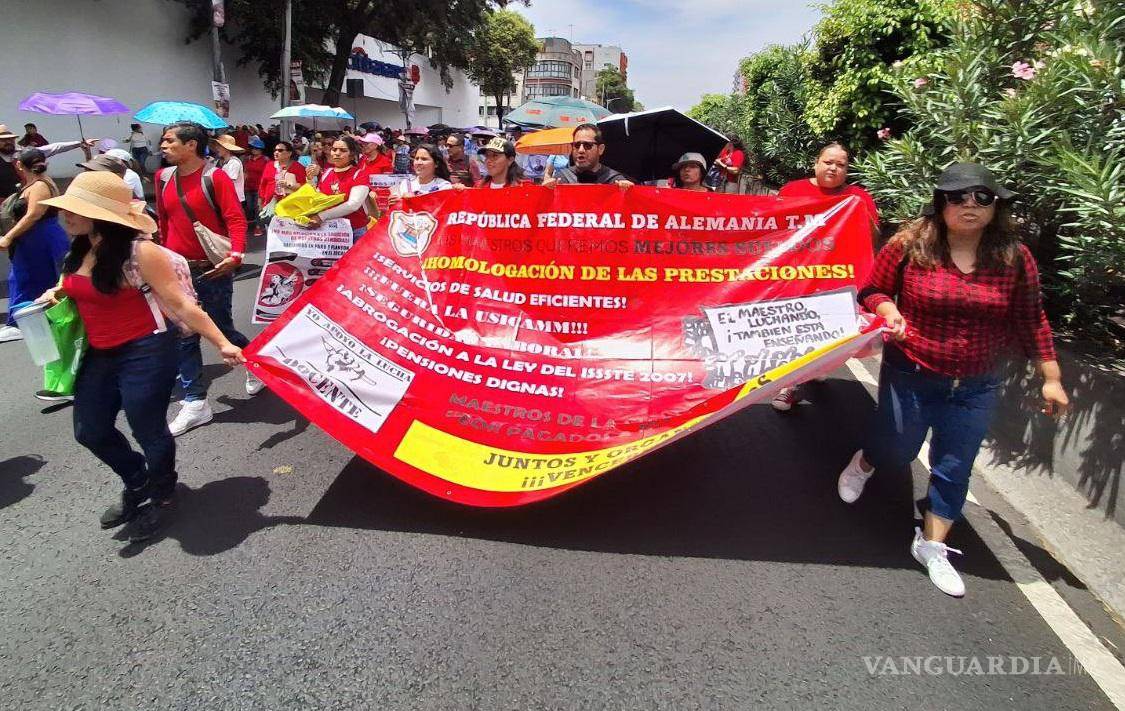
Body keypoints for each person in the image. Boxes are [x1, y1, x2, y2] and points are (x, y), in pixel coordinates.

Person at [836, 163, 1069, 597]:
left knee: (954, 465)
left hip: (977, 384)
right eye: (958, 196)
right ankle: (866, 460)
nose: (970, 205)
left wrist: (1050, 377)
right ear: (941, 203)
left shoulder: (1014, 257)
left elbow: (1031, 317)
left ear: (995, 207)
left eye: (982, 197)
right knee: (897, 449)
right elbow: (872, 289)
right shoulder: (909, 245)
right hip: (911, 371)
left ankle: (931, 546)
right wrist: (890, 311)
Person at [35, 170, 245, 542]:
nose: (64, 216)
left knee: (147, 428)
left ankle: (163, 494)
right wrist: (58, 292)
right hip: (99, 351)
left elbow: (182, 303)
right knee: (90, 431)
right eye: (64, 209)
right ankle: (137, 481)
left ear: (102, 215)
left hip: (145, 349)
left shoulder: (140, 251)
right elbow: (75, 282)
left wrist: (222, 342)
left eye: (74, 210)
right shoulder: (80, 247)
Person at [154, 121, 256, 436]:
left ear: (191, 145)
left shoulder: (216, 177)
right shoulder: (162, 177)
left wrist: (235, 255)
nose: (163, 146)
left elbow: (235, 218)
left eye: (170, 141)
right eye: (163, 141)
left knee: (222, 329)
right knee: (184, 336)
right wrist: (159, 259)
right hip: (175, 272)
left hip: (211, 270)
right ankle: (196, 402)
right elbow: (163, 220)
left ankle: (255, 363)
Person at [771, 142, 880, 412]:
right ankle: (789, 386)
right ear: (816, 163)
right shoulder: (792, 190)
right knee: (795, 328)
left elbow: (872, 237)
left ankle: (819, 364)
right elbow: (773, 227)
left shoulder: (858, 197)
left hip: (837, 277)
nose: (833, 168)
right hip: (797, 274)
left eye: (840, 165)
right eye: (828, 162)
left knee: (828, 329)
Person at [0, 148, 69, 343]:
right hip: (32, 239)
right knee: (31, 277)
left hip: (40, 237)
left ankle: (19, 323)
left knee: (25, 277)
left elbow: (34, 214)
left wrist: (9, 237)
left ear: (20, 165)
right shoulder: (32, 183)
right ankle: (29, 319)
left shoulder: (40, 185)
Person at [0, 124, 93, 201]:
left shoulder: (24, 153)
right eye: (3, 140)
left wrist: (79, 143)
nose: (8, 142)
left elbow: (54, 148)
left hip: (24, 200)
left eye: (10, 139)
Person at [304, 136, 371, 242]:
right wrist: (310, 178)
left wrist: (321, 216)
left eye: (343, 150)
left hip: (354, 231)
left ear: (352, 155)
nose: (337, 153)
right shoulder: (327, 173)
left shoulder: (360, 174)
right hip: (328, 230)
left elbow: (353, 205)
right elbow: (317, 198)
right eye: (334, 149)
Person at [542, 124, 633, 188]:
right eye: (577, 145)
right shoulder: (561, 179)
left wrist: (628, 194)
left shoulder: (615, 181)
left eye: (587, 145)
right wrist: (544, 192)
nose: (581, 150)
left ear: (600, 149)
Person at [388, 144, 453, 203]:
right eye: (416, 159)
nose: (419, 162)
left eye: (424, 159)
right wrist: (396, 203)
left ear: (436, 164)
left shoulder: (444, 187)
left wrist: (414, 201)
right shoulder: (406, 184)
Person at [453, 137, 525, 190]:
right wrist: (462, 192)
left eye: (495, 156)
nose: (489, 160)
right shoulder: (479, 186)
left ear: (510, 160)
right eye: (487, 156)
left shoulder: (523, 187)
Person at [258, 141, 306, 215]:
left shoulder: (298, 167)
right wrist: (261, 201)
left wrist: (288, 184)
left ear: (289, 153)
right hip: (269, 204)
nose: (276, 152)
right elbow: (263, 184)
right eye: (275, 150)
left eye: (280, 150)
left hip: (289, 206)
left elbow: (304, 186)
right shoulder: (269, 165)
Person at [210, 134, 246, 207]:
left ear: (226, 148)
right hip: (227, 198)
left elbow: (227, 182)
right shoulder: (222, 161)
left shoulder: (234, 162)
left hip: (234, 200)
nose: (217, 148)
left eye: (219, 146)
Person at [243, 137, 268, 237]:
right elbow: (245, 172)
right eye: (252, 148)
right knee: (250, 207)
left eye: (256, 148)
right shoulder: (248, 159)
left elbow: (267, 174)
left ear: (260, 150)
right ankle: (257, 223)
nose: (254, 150)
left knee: (258, 207)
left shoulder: (265, 160)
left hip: (260, 187)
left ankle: (259, 226)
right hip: (249, 187)